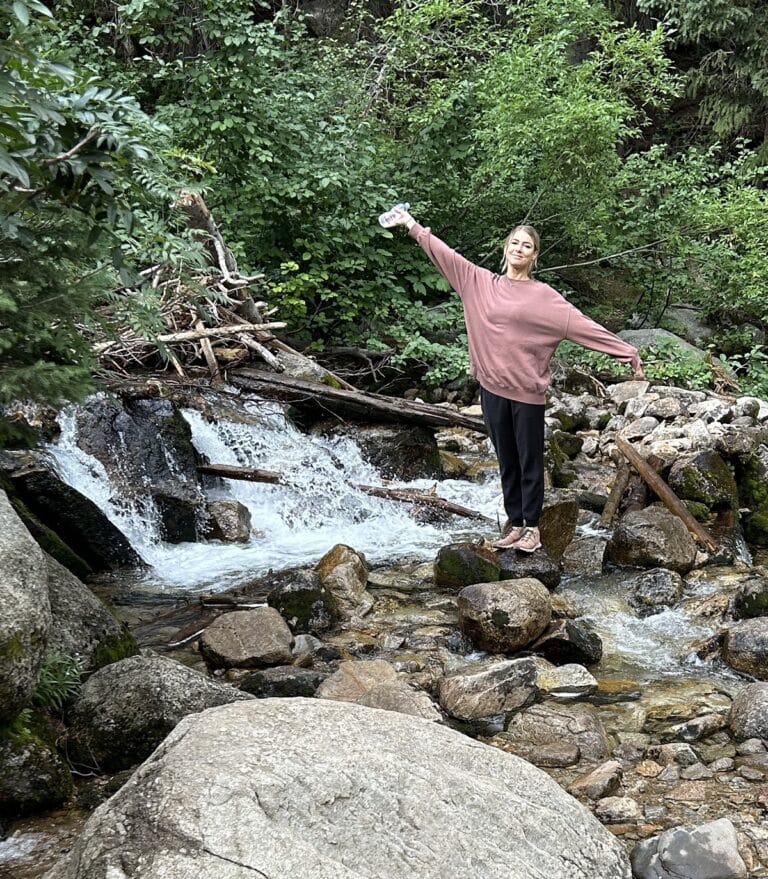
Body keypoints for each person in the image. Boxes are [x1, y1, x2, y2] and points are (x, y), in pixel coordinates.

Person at [386, 206, 645, 553]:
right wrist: (412, 225)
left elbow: (582, 325)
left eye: (526, 246)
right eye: (514, 243)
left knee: (529, 461)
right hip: (491, 389)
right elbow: (444, 254)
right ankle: (515, 524)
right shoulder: (478, 283)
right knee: (506, 459)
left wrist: (625, 351)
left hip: (526, 393)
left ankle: (533, 529)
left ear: (534, 255)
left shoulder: (545, 297)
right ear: (505, 248)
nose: (519, 249)